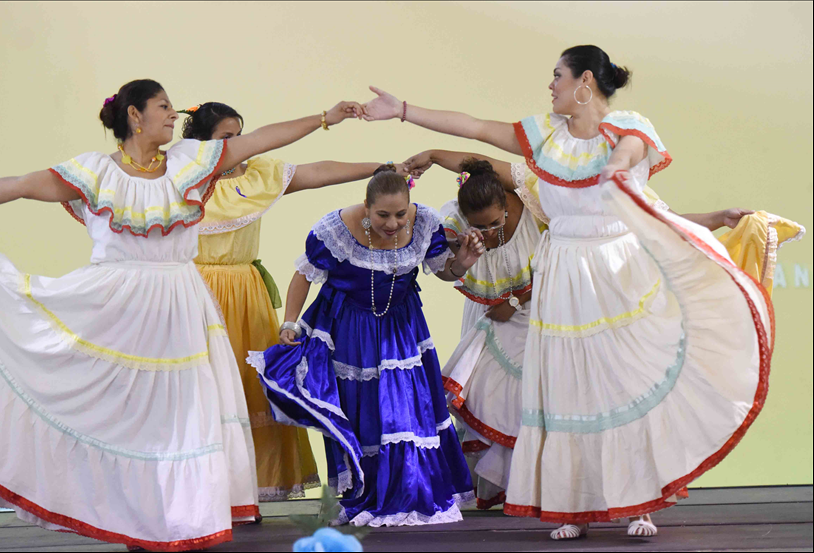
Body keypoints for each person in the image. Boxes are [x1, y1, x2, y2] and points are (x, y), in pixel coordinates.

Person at [0, 78, 364, 550]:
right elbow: (21, 186)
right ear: (134, 115)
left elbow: (263, 138)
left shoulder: (191, 163)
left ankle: (182, 520)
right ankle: (134, 518)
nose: (173, 115)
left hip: (179, 301)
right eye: (163, 106)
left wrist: (325, 118)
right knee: (129, 413)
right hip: (117, 303)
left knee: (185, 412)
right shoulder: (95, 173)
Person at [362, 45, 778, 540]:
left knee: (624, 382)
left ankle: (640, 502)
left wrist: (621, 172)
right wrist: (404, 111)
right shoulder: (546, 139)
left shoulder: (627, 126)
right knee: (567, 387)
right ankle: (571, 507)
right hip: (563, 272)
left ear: (585, 81)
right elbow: (473, 127)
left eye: (557, 75)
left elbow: (627, 159)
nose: (550, 85)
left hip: (616, 270)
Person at [181, 101, 408, 502]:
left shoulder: (256, 177)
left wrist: (378, 170)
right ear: (202, 143)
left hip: (246, 294)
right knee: (203, 391)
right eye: (226, 138)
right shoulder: (186, 180)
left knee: (250, 392)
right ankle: (198, 492)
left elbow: (316, 172)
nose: (238, 145)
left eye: (240, 135)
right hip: (197, 293)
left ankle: (242, 494)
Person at [247, 166, 484, 526]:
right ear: (366, 207)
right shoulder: (336, 229)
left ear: (410, 206)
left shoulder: (425, 224)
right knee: (364, 413)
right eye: (383, 215)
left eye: (400, 214)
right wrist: (290, 323)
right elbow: (304, 275)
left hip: (402, 326)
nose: (392, 223)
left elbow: (444, 271)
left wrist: (463, 262)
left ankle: (410, 490)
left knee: (406, 410)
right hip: (349, 329)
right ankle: (365, 491)